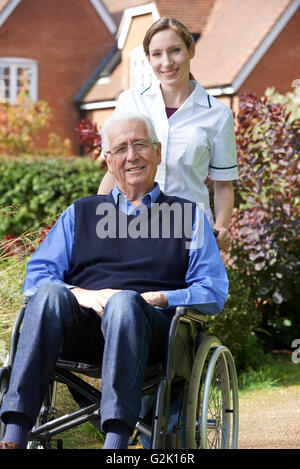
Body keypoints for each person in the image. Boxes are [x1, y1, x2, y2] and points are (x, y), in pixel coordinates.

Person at [0, 113, 228, 450]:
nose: (131, 156)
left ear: (158, 151)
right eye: (120, 148)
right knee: (48, 293)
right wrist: (82, 295)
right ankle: (15, 433)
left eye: (140, 145)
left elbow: (212, 289)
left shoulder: (188, 216)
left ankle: (116, 443)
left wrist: (158, 299)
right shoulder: (81, 213)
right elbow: (35, 276)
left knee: (124, 301)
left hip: (151, 334)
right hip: (82, 331)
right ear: (108, 161)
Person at [98, 17, 238, 252]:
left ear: (191, 50)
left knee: (184, 290)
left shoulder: (218, 114)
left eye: (175, 51)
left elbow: (224, 185)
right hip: (132, 226)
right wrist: (97, 216)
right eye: (157, 54)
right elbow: (114, 171)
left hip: (190, 231)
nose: (166, 62)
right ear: (148, 58)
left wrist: (222, 228)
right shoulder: (130, 102)